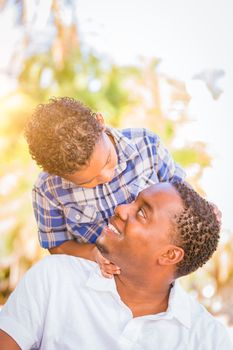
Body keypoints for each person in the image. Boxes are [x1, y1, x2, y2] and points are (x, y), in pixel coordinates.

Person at [0, 182, 232, 350]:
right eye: (133, 200)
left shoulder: (209, 340)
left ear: (170, 254)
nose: (121, 209)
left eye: (141, 212)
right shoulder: (55, 278)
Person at [24, 97, 185, 277]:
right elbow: (57, 244)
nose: (107, 176)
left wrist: (205, 210)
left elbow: (181, 193)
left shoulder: (146, 145)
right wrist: (92, 253)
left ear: (100, 122)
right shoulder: (47, 189)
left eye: (108, 160)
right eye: (87, 182)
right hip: (93, 279)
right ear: (57, 174)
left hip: (151, 275)